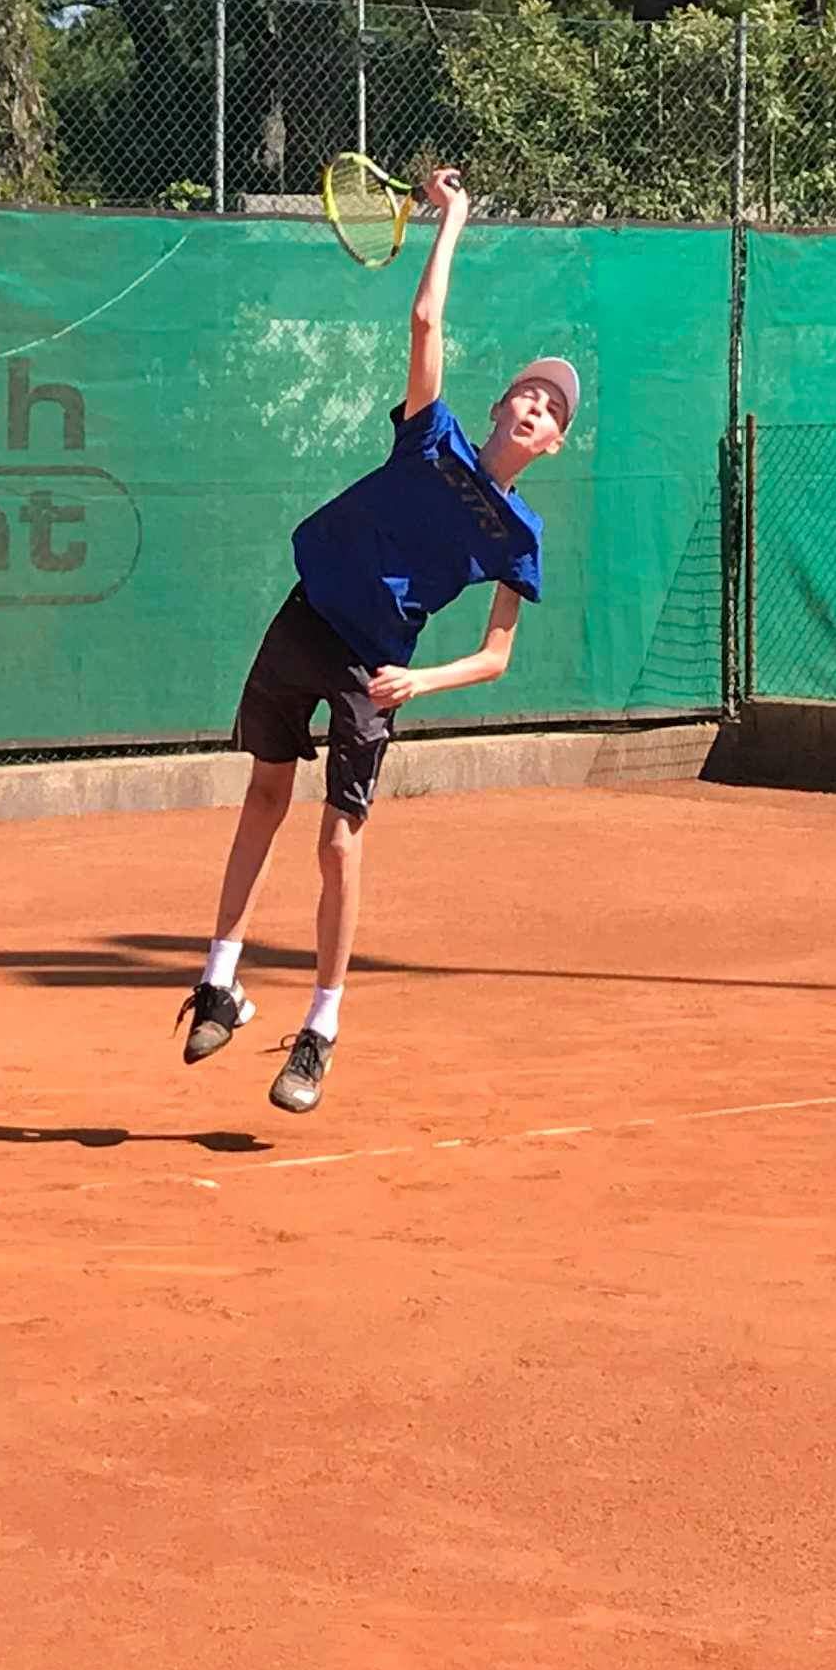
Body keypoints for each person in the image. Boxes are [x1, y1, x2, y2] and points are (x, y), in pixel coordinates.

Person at [181, 164, 576, 1113]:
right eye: (528, 393)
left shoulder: (518, 539)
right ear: (499, 407)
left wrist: (418, 681)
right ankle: (219, 980)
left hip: (375, 664)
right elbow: (426, 321)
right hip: (305, 616)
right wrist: (454, 219)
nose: (537, 406)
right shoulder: (431, 436)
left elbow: (497, 657)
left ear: (554, 444)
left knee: (338, 843)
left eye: (554, 410)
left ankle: (319, 1032)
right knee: (264, 794)